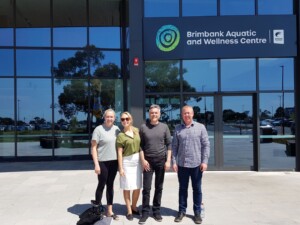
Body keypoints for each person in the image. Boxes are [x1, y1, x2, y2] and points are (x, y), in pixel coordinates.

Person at [172, 105, 210, 224]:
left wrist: (204, 161)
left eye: (189, 113)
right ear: (182, 115)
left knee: (197, 189)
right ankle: (182, 211)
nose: (187, 115)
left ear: (193, 114)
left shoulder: (200, 127)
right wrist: (174, 162)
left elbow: (206, 145)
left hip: (196, 165)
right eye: (184, 113)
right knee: (182, 189)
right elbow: (174, 147)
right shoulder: (177, 128)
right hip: (182, 165)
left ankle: (197, 212)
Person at [138, 104, 172, 224]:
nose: (154, 114)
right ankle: (145, 212)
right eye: (152, 112)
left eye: (156, 113)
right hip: (148, 162)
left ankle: (156, 211)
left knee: (159, 187)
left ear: (159, 114)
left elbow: (169, 144)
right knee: (146, 188)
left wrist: (168, 161)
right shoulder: (143, 127)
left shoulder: (164, 127)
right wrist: (143, 160)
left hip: (161, 161)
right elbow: (140, 145)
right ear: (149, 114)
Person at [91, 109, 120, 220]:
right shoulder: (98, 130)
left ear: (114, 118)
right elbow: (93, 148)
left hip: (114, 162)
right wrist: (96, 164)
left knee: (110, 185)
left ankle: (109, 211)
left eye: (112, 117)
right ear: (104, 117)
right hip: (102, 162)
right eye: (108, 116)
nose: (110, 118)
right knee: (102, 184)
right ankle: (97, 208)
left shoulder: (117, 129)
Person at [116, 112, 142, 221]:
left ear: (130, 119)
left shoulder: (136, 131)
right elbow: (119, 153)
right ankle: (129, 211)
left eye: (127, 119)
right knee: (127, 187)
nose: (125, 121)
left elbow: (141, 146)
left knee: (137, 186)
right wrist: (120, 167)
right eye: (122, 119)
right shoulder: (120, 136)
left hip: (137, 162)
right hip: (126, 162)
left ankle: (134, 206)